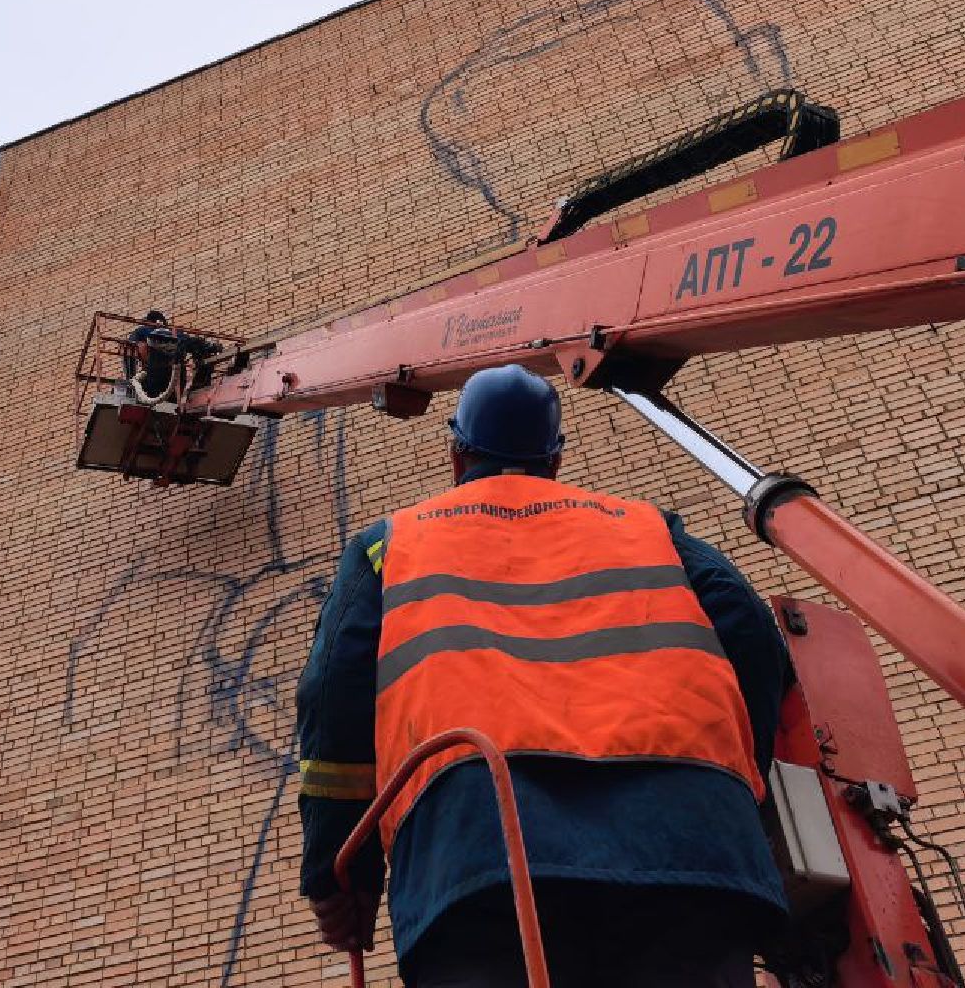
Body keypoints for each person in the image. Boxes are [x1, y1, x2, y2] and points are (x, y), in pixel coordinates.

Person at [295, 364, 792, 987]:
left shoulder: (392, 544)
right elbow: (754, 640)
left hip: (480, 853)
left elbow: (332, 706)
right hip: (689, 851)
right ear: (555, 462)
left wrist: (340, 881)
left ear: (456, 455)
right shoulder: (646, 529)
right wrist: (741, 788)